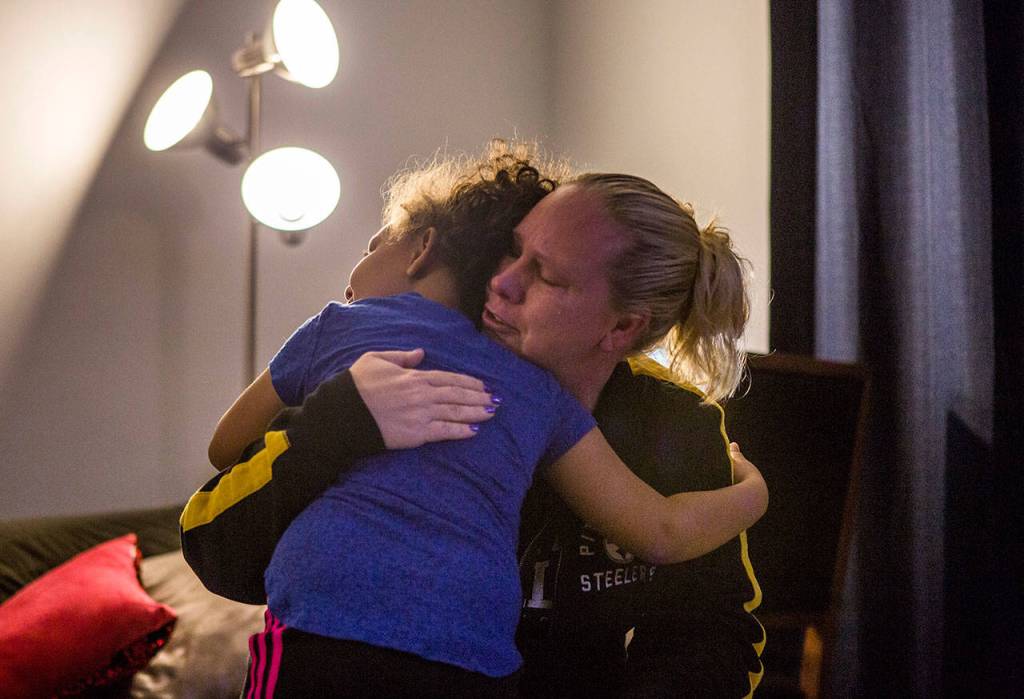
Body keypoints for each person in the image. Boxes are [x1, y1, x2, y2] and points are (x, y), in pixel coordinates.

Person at [182, 142, 766, 697]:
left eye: (548, 275)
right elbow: (219, 550)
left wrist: (757, 492)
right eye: (513, 250)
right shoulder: (380, 372)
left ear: (621, 329)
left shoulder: (677, 428)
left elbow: (709, 641)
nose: (502, 282)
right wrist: (337, 422)